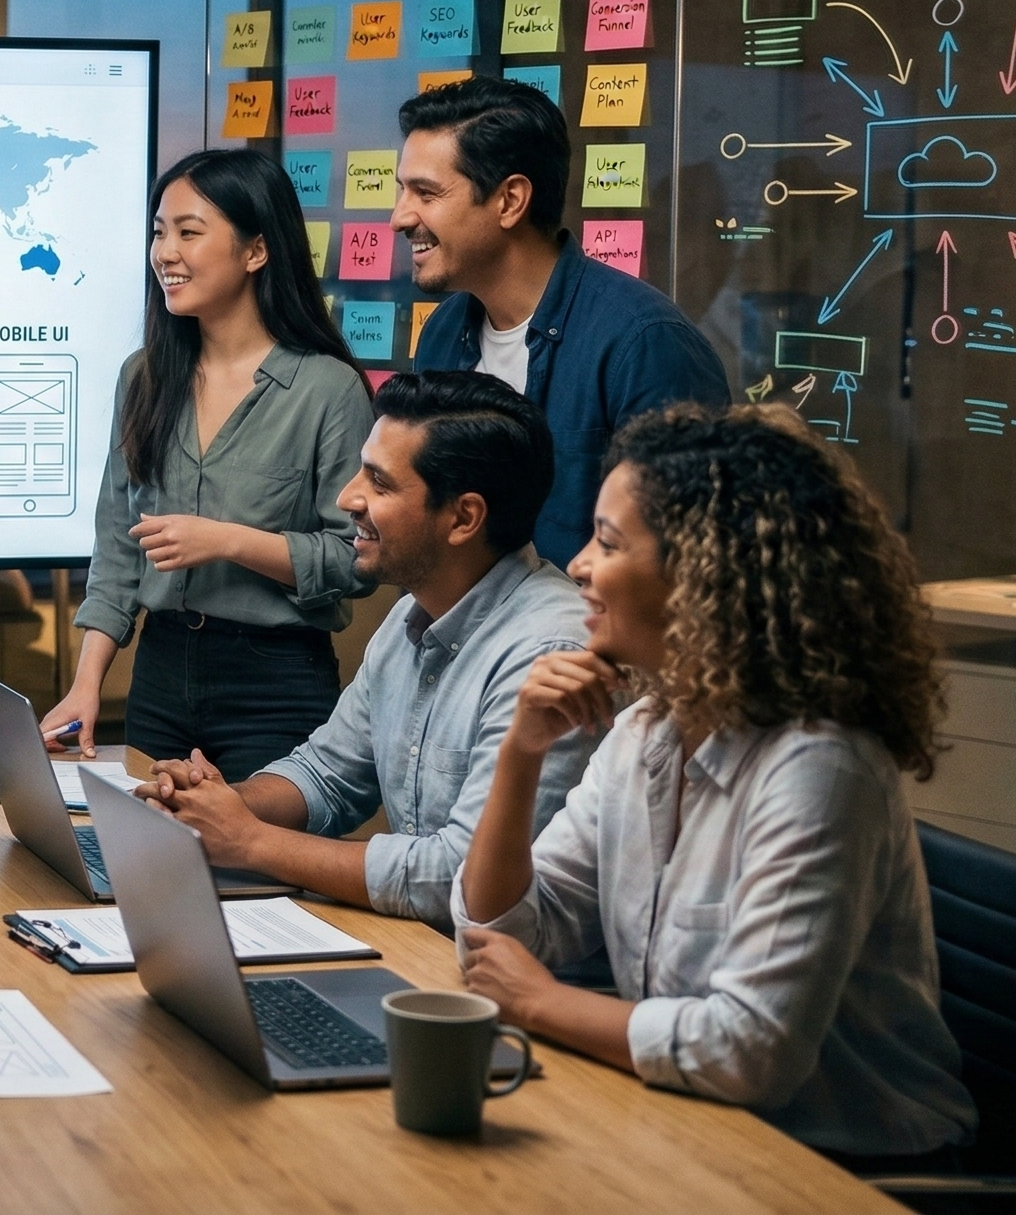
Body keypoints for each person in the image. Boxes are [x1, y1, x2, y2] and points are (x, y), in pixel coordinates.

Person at [456, 404, 977, 1166]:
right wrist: (519, 753)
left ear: (702, 574)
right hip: (693, 1127)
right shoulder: (646, 730)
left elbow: (748, 1051)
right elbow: (500, 936)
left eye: (606, 542)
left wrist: (538, 1002)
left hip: (852, 1169)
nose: (577, 566)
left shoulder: (819, 765)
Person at [136, 370, 592, 930]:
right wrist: (218, 806)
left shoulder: (550, 650)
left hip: (516, 984)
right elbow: (328, 773)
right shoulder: (413, 612)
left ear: (464, 517)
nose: (347, 498)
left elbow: (458, 874)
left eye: (379, 483)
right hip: (423, 948)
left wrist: (252, 843)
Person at [40, 149, 375, 781]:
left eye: (189, 233)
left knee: (262, 870)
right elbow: (118, 549)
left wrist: (227, 541)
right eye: (159, 232)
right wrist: (87, 685)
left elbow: (356, 561)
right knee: (155, 867)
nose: (165, 252)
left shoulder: (328, 389)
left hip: (275, 685)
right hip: (161, 675)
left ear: (256, 251)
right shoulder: (143, 377)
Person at [395, 75, 727, 565]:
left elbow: (687, 560)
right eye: (402, 191)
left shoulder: (644, 345)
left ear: (510, 200)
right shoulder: (445, 332)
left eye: (425, 193)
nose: (399, 217)